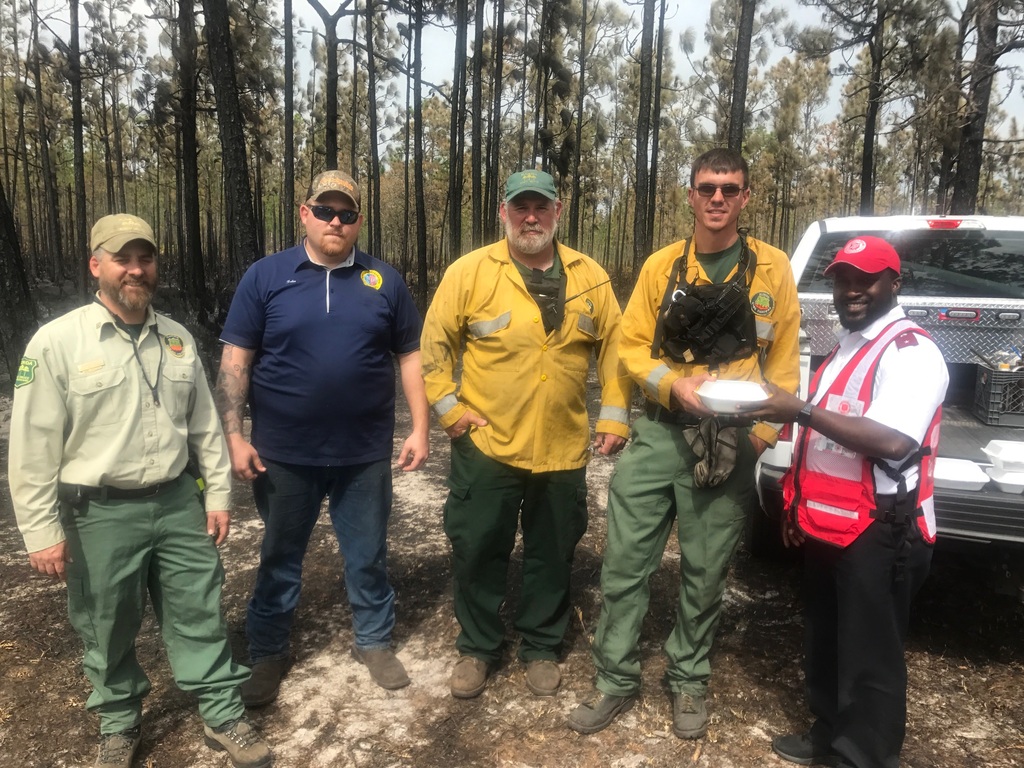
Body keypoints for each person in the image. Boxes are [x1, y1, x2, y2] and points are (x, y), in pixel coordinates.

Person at [8, 214, 272, 768]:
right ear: (96, 265)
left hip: (178, 501)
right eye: (122, 259)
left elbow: (204, 427)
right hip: (98, 512)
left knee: (199, 609)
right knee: (106, 621)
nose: (135, 269)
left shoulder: (175, 339)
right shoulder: (56, 343)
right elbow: (32, 446)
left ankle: (222, 712)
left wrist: (218, 496)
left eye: (145, 258)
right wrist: (41, 531)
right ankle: (119, 722)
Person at [568, 148, 801, 738]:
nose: (717, 197)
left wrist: (759, 438)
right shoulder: (661, 266)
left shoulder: (772, 270)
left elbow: (785, 365)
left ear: (746, 197)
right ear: (690, 195)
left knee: (705, 572)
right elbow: (630, 348)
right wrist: (674, 387)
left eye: (730, 188)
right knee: (623, 567)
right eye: (707, 187)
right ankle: (615, 680)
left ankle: (689, 680)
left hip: (729, 444)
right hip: (658, 438)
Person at [215, 170, 429, 706]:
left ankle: (375, 642)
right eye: (326, 211)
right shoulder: (265, 276)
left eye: (348, 214)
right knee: (280, 555)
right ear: (305, 213)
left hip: (365, 453)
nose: (337, 221)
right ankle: (267, 650)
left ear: (359, 221)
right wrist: (234, 435)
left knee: (368, 553)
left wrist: (420, 427)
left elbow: (409, 356)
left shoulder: (385, 281)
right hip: (285, 454)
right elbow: (236, 360)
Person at [420, 169, 632, 699]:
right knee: (477, 546)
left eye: (541, 207)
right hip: (488, 443)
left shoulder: (592, 277)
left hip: (562, 445)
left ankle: (540, 644)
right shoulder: (471, 273)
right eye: (521, 207)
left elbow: (616, 350)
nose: (530, 217)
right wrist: (451, 412)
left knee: (553, 551)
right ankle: (478, 647)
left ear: (558, 211)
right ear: (503, 212)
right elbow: (434, 349)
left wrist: (613, 415)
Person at [747, 236, 948, 768]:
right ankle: (829, 733)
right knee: (828, 640)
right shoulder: (844, 348)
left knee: (870, 657)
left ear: (895, 283)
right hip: (831, 523)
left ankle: (860, 755)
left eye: (867, 278)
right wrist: (794, 506)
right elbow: (823, 445)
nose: (851, 290)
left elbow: (891, 441)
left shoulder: (911, 352)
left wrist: (797, 409)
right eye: (842, 279)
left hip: (883, 530)